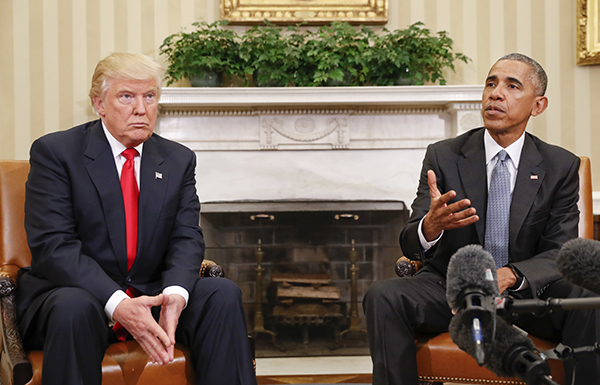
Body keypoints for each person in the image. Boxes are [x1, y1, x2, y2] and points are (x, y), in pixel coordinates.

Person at [15, 52, 257, 385]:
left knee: (221, 294)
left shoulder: (177, 159)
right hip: (77, 295)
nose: (141, 109)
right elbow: (53, 246)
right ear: (99, 104)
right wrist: (117, 303)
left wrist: (175, 295)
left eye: (149, 96)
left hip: (151, 291)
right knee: (74, 306)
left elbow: (187, 237)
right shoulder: (57, 153)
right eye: (126, 97)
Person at [364, 53, 599, 385]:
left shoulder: (560, 165)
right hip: (453, 288)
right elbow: (411, 243)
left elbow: (561, 251)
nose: (495, 93)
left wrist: (509, 275)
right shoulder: (444, 156)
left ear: (538, 105)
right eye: (491, 83)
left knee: (585, 297)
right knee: (383, 295)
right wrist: (430, 226)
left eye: (511, 85)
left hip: (527, 294)